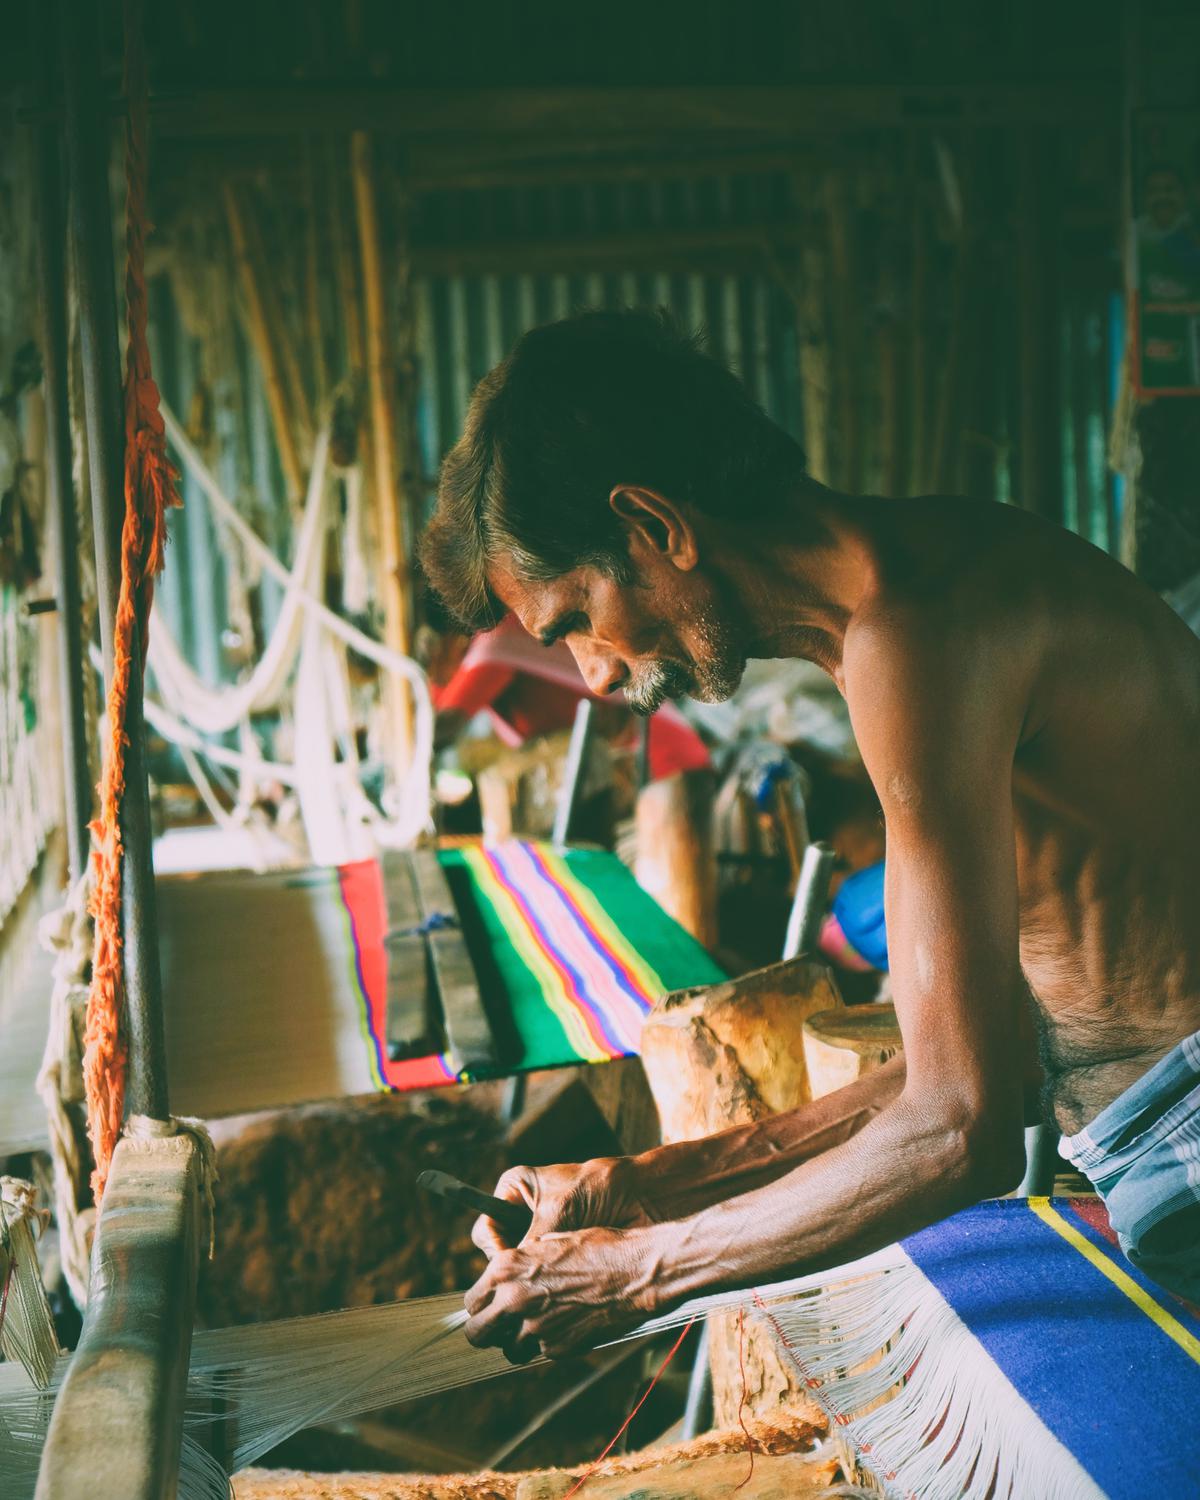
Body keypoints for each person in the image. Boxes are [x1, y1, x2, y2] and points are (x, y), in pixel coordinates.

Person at [419, 310, 1200, 1362]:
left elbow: (958, 1124)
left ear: (654, 525)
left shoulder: (921, 631)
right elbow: (1000, 1048)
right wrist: (645, 1184)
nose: (594, 675)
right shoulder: (912, 597)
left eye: (572, 619)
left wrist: (637, 1272)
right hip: (1138, 1132)